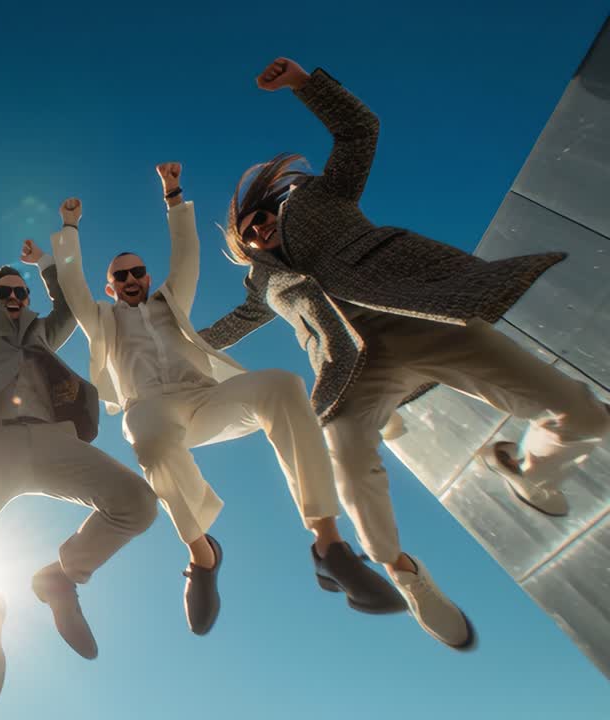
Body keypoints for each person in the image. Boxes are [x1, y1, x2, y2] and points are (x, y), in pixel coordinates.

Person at [200, 57, 610, 649]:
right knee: (349, 468)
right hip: (348, 367)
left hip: (423, 315)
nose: (260, 231)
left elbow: (358, 131)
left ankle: (528, 472)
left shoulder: (321, 198)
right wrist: (158, 342)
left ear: (277, 204)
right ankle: (403, 573)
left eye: (262, 218)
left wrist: (303, 84)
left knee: (585, 416)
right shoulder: (261, 285)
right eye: (249, 233)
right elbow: (224, 330)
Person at [51, 176, 402, 639]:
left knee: (281, 385)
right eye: (122, 276)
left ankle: (329, 546)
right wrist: (70, 227)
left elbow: (187, 254)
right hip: (152, 408)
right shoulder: (101, 319)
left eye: (138, 272)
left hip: (206, 398)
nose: (131, 280)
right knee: (145, 429)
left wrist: (173, 197)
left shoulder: (171, 301)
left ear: (148, 278)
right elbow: (72, 284)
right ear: (110, 286)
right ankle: (202, 556)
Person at [0, 230, 157, 702]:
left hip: (54, 437)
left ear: (27, 297)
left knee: (138, 503)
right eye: (3, 292)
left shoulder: (42, 330)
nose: (12, 298)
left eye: (20, 292)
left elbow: (69, 306)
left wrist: (46, 264)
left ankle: (61, 577)